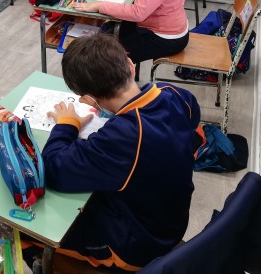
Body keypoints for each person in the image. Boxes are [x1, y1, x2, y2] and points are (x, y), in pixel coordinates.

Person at [23, 33, 200, 272]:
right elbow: (196, 131)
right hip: (169, 221)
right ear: (130, 65)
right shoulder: (175, 94)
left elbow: (54, 169)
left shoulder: (123, 135)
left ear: (89, 99)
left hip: (136, 246)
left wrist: (67, 124)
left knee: (27, 228)